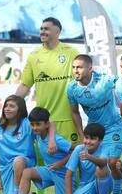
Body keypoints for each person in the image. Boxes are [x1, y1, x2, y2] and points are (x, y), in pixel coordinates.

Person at [66, 54, 122, 194]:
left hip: (113, 127)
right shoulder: (72, 88)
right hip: (94, 133)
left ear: (90, 68)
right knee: (92, 165)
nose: (75, 70)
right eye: (74, 67)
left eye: (79, 67)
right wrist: (82, 135)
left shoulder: (104, 80)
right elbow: (74, 112)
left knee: (112, 163)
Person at [16, 17, 80, 145]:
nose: (42, 32)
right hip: (43, 122)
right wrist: (12, 105)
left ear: (57, 32)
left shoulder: (71, 53)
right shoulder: (34, 56)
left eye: (46, 29)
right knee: (45, 162)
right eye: (41, 29)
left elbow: (83, 78)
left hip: (68, 120)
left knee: (72, 160)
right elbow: (24, 85)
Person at [12, 107, 73, 194]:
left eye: (38, 124)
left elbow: (75, 151)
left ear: (46, 124)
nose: (35, 127)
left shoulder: (58, 140)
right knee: (27, 172)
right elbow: (52, 124)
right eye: (33, 124)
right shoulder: (38, 135)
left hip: (63, 175)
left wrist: (62, 162)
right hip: (49, 170)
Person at [0, 95, 36, 194]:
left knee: (18, 160)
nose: (7, 109)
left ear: (19, 110)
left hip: (25, 162)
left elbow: (46, 127)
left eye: (11, 106)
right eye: (6, 106)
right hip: (5, 168)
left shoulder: (27, 124)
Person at [64, 122, 112, 194]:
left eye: (93, 139)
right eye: (86, 137)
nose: (88, 141)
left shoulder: (105, 148)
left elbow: (103, 163)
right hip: (84, 186)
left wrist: (89, 157)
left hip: (103, 184)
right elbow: (68, 175)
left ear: (101, 140)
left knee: (100, 169)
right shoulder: (79, 149)